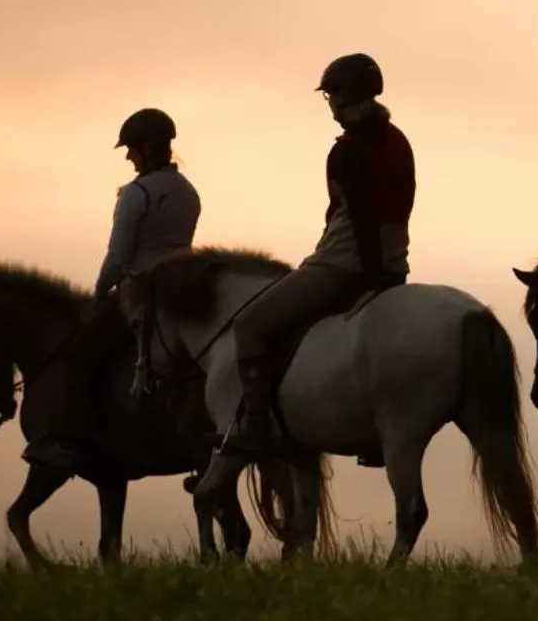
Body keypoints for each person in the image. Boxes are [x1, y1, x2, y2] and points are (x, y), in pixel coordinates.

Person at [217, 54, 415, 458]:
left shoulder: (346, 150)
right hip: (395, 265)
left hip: (343, 266)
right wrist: (388, 277)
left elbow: (360, 218)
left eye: (332, 96)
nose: (330, 105)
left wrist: (369, 277)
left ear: (346, 97)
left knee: (249, 326)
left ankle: (256, 427)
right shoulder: (398, 140)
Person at [23, 108, 201, 470]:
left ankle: (68, 439)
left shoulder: (137, 194)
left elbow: (119, 255)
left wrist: (100, 292)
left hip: (143, 291)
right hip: (184, 287)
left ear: (147, 149)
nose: (128, 156)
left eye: (132, 149)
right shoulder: (187, 191)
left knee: (79, 353)